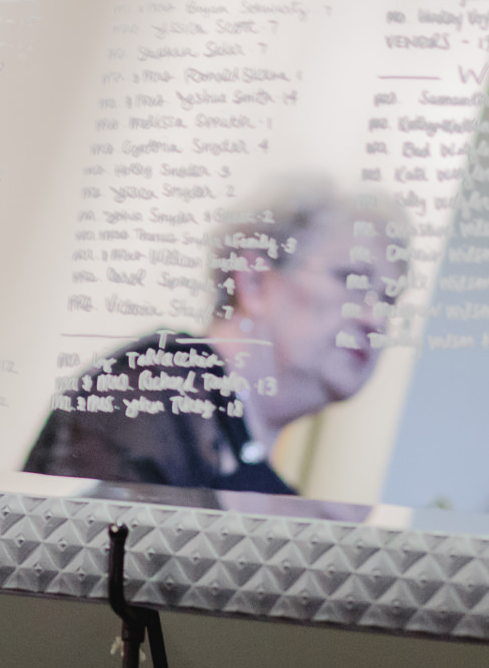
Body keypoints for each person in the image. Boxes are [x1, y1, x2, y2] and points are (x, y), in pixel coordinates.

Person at [24, 178, 402, 501]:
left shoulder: (269, 490)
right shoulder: (154, 391)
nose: (376, 319)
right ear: (254, 280)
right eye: (352, 279)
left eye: (388, 300)